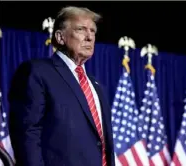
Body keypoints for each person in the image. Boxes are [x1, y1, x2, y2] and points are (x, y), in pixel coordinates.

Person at [8, 6, 115, 166]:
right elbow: (27, 134)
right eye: (81, 29)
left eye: (93, 31)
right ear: (60, 37)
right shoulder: (37, 72)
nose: (89, 37)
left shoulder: (96, 85)